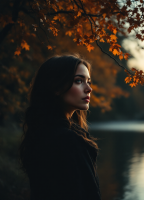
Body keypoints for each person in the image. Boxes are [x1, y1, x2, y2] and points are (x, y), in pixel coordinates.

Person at [19, 54, 101, 200]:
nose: (89, 89)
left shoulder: (43, 132)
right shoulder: (65, 139)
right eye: (78, 81)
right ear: (56, 87)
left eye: (88, 81)